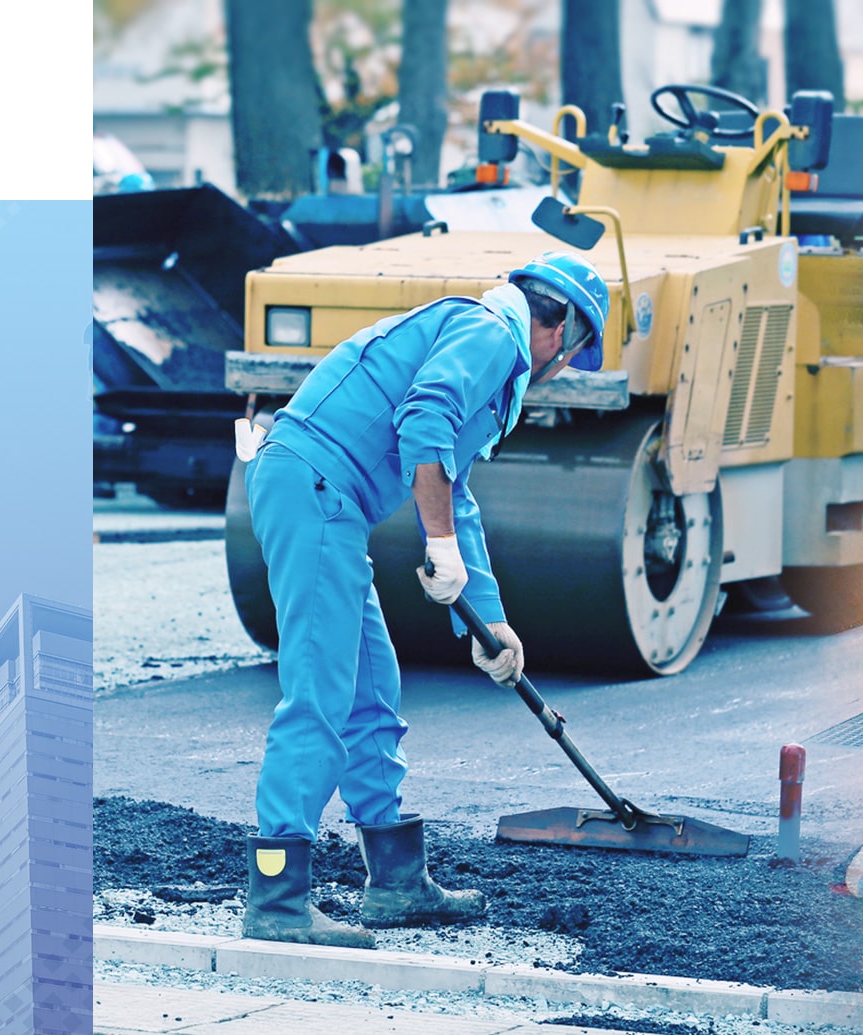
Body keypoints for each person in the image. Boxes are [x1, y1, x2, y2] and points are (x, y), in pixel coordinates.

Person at [240, 251, 609, 948]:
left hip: (328, 499)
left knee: (373, 689)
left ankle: (395, 880)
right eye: (574, 355)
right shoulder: (493, 334)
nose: (562, 371)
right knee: (320, 689)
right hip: (313, 486)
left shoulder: (488, 349)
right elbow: (424, 422)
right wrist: (436, 545)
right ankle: (277, 894)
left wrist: (488, 619)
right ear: (565, 334)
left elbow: (455, 491)